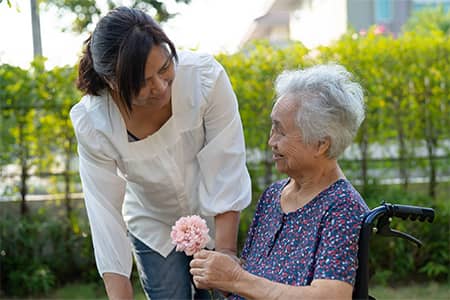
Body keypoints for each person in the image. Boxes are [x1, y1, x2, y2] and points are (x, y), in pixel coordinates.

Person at [70, 6, 251, 300]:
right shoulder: (94, 122)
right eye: (142, 82)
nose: (160, 87)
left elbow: (226, 163)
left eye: (165, 67)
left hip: (213, 211)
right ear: (112, 83)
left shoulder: (204, 78)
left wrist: (227, 254)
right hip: (151, 222)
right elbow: (104, 213)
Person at [190, 64, 369, 299]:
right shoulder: (274, 194)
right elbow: (253, 276)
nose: (270, 141)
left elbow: (330, 295)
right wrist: (221, 271)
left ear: (320, 144)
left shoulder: (343, 207)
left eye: (280, 132)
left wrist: (235, 278)